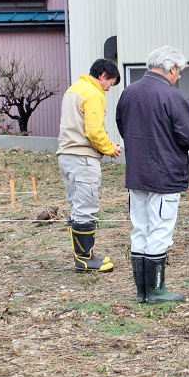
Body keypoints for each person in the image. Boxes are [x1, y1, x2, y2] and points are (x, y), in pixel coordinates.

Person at [116, 46, 189, 303]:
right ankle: (156, 290)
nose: (179, 77)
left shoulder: (128, 93)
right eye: (180, 72)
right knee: (160, 230)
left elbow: (122, 126)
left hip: (137, 170)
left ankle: (141, 292)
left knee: (140, 229)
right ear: (172, 68)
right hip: (165, 172)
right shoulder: (173, 96)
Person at [57, 58, 122, 273]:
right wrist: (109, 148)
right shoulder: (93, 93)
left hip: (67, 154)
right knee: (86, 206)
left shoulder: (74, 89)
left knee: (77, 207)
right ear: (103, 76)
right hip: (82, 157)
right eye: (110, 83)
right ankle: (85, 260)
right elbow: (94, 130)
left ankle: (83, 257)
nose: (108, 89)